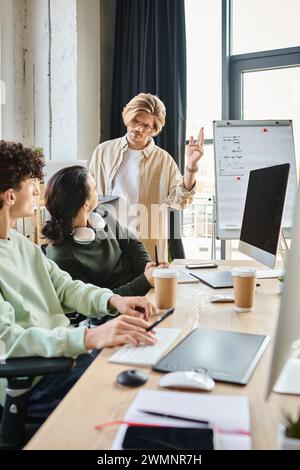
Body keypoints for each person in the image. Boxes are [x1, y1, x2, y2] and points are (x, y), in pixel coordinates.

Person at [0, 140, 157, 423]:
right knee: (132, 409)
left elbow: (65, 286)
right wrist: (88, 337)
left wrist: (114, 301)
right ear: (10, 196)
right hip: (32, 383)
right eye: (31, 183)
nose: (38, 191)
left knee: (145, 377)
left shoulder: (23, 246)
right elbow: (9, 340)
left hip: (63, 359)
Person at [89, 92, 204, 260]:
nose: (138, 129)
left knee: (147, 286)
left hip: (147, 244)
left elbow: (181, 200)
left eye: (146, 125)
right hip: (109, 241)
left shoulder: (163, 160)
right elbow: (89, 195)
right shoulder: (103, 151)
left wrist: (191, 165)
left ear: (154, 129)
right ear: (128, 116)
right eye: (135, 121)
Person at [42, 165, 167, 297]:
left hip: (144, 291)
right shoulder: (62, 256)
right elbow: (96, 302)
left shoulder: (101, 214)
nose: (98, 192)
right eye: (95, 189)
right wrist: (145, 281)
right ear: (85, 204)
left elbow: (132, 243)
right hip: (119, 308)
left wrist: (147, 268)